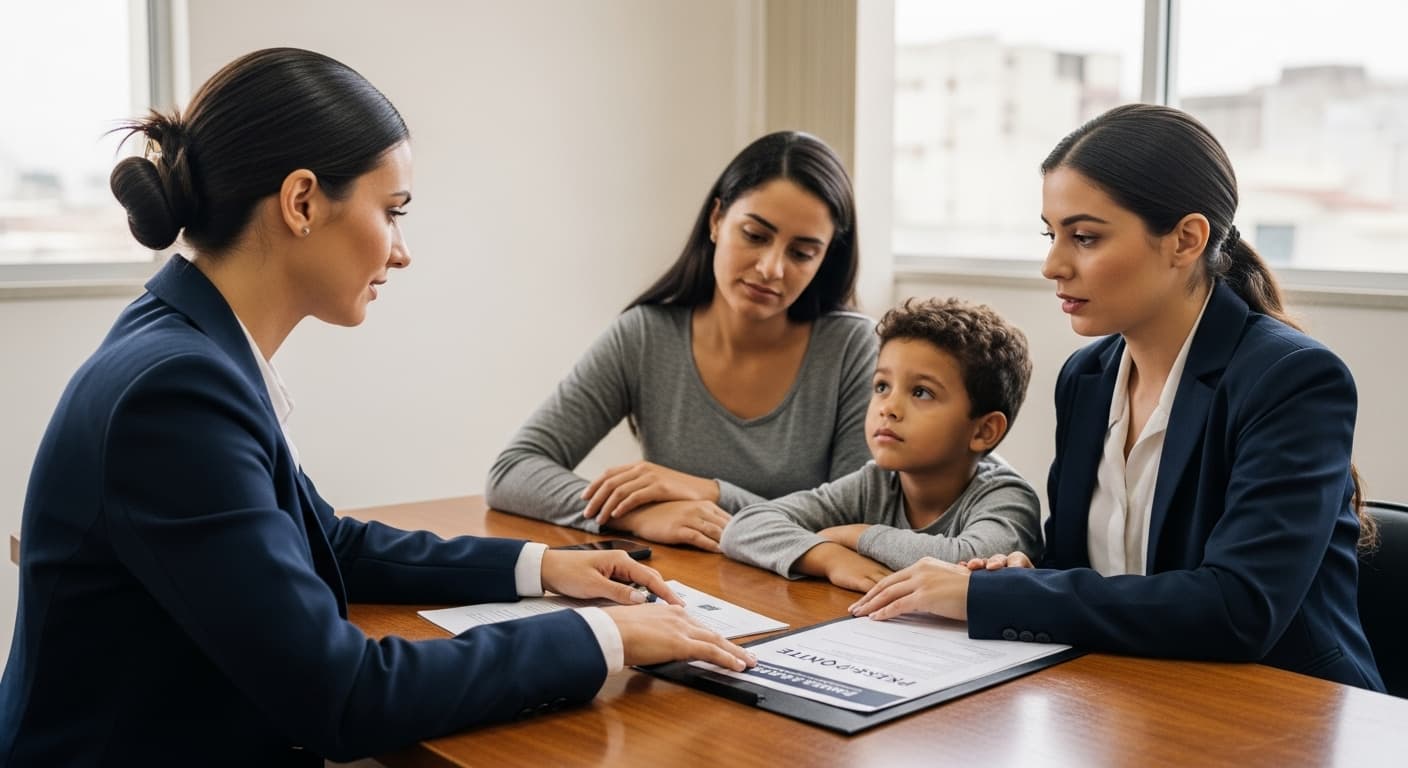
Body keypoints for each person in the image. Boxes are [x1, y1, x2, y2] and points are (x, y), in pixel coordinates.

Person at [0, 48, 753, 766]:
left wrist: (546, 566)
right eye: (392, 211)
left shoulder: (185, 346)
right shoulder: (176, 393)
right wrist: (601, 638)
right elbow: (344, 695)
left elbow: (328, 541)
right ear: (301, 202)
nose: (401, 250)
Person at [851, 104, 1385, 692]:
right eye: (1050, 234)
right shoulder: (1086, 377)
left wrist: (1001, 594)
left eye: (1084, 237)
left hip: (1281, 709)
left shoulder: (1292, 378)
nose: (1053, 264)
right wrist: (1030, 575)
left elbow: (1238, 608)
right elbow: (1084, 570)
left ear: (1185, 239)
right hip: (1126, 697)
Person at [486, 131, 877, 552]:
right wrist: (637, 515)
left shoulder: (853, 348)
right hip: (678, 594)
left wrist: (711, 493)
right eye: (755, 235)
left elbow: (850, 524)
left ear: (824, 260)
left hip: (804, 598)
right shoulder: (644, 336)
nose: (770, 268)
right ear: (716, 220)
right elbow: (512, 472)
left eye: (801, 253)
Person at [721, 298, 1042, 591]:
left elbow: (968, 559)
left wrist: (858, 535)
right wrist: (830, 558)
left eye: (921, 392)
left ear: (984, 431)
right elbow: (746, 525)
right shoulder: (874, 483)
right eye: (882, 386)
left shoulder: (1008, 498)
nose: (887, 407)